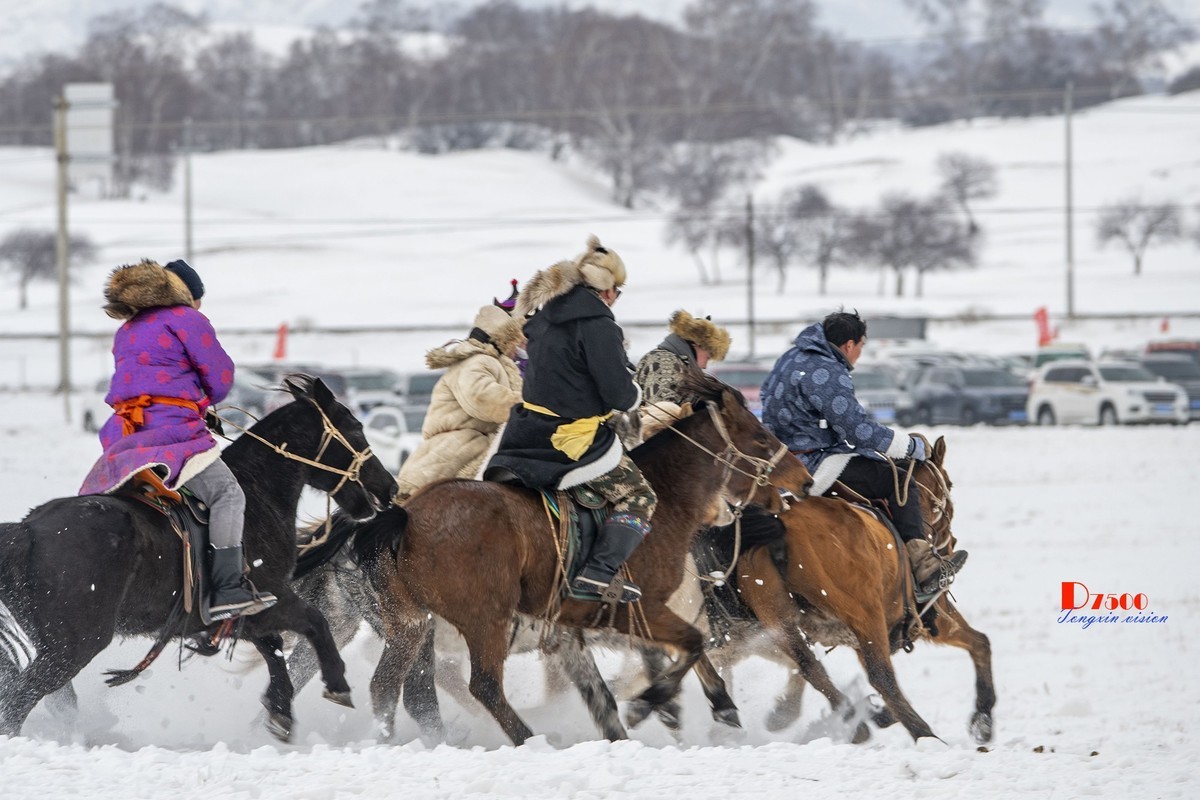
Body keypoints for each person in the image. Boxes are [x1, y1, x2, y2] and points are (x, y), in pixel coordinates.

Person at [79, 258, 276, 620]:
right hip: (172, 436)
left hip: (127, 439)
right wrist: (202, 402)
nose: (200, 307)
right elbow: (220, 379)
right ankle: (227, 587)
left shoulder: (127, 329)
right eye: (198, 299)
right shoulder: (187, 318)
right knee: (226, 494)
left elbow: (149, 380)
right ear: (187, 294)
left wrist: (191, 402)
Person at [485, 236, 653, 603]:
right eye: (617, 291)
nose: (615, 299)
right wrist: (635, 392)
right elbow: (620, 396)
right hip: (571, 439)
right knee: (640, 495)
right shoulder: (600, 327)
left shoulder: (542, 320)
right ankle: (598, 573)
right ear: (606, 290)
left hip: (525, 433)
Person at [760, 310, 968, 596]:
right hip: (815, 464)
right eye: (861, 346)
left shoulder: (789, 358)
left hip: (779, 462)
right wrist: (910, 447)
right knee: (900, 480)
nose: (859, 354)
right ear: (849, 345)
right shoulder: (827, 370)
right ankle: (922, 563)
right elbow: (857, 431)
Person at [395, 303, 524, 498]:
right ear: (503, 338)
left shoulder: (490, 361)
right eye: (515, 340)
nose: (519, 346)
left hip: (465, 444)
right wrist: (528, 406)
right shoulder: (477, 361)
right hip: (460, 448)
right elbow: (481, 397)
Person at [634, 310, 731, 405]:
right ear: (697, 344)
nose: (705, 367)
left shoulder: (679, 364)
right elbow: (660, 415)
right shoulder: (663, 363)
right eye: (707, 357)